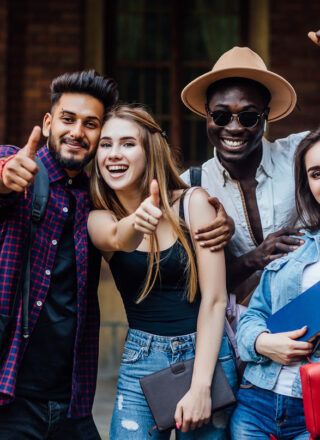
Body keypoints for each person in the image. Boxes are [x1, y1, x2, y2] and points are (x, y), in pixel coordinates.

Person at [87, 104, 237, 439]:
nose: (114, 154)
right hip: (141, 360)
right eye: (105, 144)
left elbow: (214, 300)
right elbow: (115, 237)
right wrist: (137, 222)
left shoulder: (193, 204)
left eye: (128, 143)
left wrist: (201, 387)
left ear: (149, 149)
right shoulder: (99, 218)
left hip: (208, 356)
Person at [0, 70, 118, 439]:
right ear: (48, 123)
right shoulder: (19, 169)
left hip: (73, 405)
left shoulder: (97, 197)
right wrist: (4, 177)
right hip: (10, 399)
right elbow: (4, 167)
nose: (78, 132)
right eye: (68, 119)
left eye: (91, 124)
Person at [180, 44, 318, 303]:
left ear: (266, 116)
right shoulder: (191, 187)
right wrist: (251, 260)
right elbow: (191, 291)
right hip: (237, 334)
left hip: (310, 321)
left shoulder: (300, 154)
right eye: (221, 116)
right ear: (206, 114)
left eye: (248, 117)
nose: (233, 128)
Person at [230, 127, 320, 439]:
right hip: (256, 402)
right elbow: (254, 315)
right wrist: (261, 343)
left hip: (313, 412)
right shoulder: (297, 245)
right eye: (316, 173)